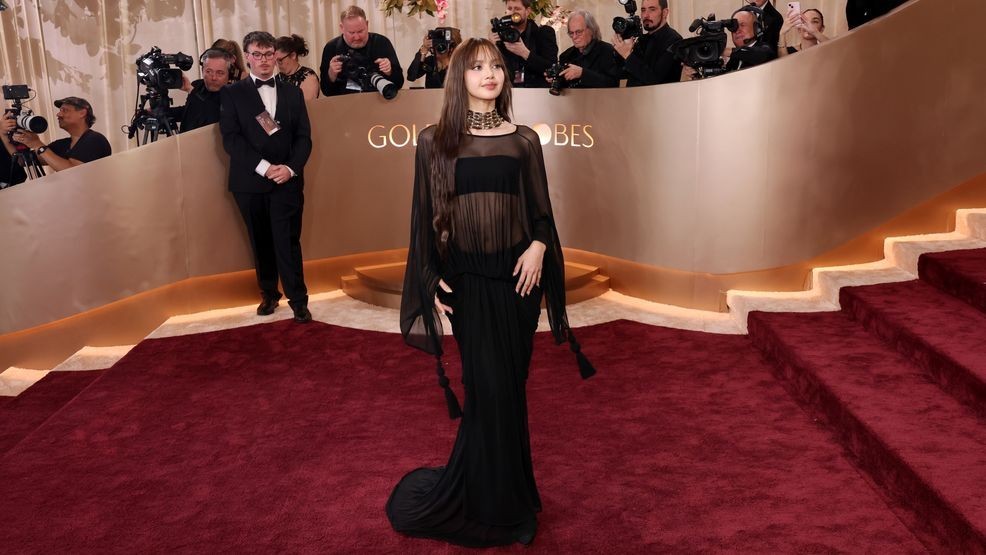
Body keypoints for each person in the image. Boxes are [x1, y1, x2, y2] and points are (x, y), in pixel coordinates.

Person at [386, 37, 595, 548]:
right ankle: (491, 504)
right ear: (459, 77)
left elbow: (541, 213)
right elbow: (424, 217)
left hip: (519, 284)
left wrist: (540, 247)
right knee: (487, 391)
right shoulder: (434, 140)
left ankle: (511, 496)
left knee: (511, 388)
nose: (489, 74)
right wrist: (430, 278)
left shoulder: (524, 140)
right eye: (477, 67)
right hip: (469, 285)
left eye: (496, 66)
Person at [219, 31, 313, 323]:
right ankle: (270, 294)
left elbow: (304, 138)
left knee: (288, 241)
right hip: (250, 181)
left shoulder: (292, 92)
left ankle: (299, 299)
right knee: (260, 241)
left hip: (287, 179)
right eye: (257, 54)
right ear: (246, 57)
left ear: (276, 55)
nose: (263, 60)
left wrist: (289, 168)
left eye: (269, 54)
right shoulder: (233, 93)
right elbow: (231, 139)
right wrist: (264, 167)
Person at [1, 96, 110, 172]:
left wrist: (37, 144)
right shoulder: (61, 145)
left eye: (64, 110)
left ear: (82, 113)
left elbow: (73, 172)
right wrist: (3, 134)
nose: (58, 114)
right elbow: (22, 161)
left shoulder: (95, 139)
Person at [319, 5, 404, 97]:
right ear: (342, 28)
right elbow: (326, 92)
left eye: (360, 31)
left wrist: (389, 71)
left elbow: (399, 84)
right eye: (351, 33)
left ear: (367, 24)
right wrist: (331, 75)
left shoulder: (381, 43)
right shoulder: (331, 48)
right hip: (344, 106)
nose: (357, 37)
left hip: (378, 103)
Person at [613, 0, 683, 86]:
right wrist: (620, 48)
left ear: (665, 13)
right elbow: (622, 73)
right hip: (633, 97)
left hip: (662, 97)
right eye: (643, 10)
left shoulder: (674, 40)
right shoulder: (642, 39)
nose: (646, 15)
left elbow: (655, 79)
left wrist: (627, 55)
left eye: (652, 9)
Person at [491, 0, 558, 89]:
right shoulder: (500, 37)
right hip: (508, 93)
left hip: (537, 94)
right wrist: (491, 46)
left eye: (517, 9)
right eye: (509, 8)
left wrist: (526, 54)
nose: (513, 12)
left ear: (527, 11)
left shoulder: (543, 33)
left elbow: (552, 68)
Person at [553, 9, 619, 89]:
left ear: (591, 30)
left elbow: (612, 83)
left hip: (602, 100)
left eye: (579, 32)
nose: (574, 37)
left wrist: (582, 74)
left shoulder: (607, 51)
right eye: (571, 33)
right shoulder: (565, 56)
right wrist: (555, 78)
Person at [171, 49, 231, 133]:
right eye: (209, 71)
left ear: (229, 74)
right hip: (186, 142)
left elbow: (213, 115)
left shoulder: (233, 94)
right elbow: (189, 111)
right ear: (202, 71)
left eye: (220, 73)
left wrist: (191, 90)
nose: (213, 77)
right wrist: (161, 111)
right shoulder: (197, 86)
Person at [724, 6, 778, 72]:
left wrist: (724, 51)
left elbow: (759, 56)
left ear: (757, 29)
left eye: (742, 25)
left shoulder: (765, 50)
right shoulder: (734, 59)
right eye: (734, 27)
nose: (737, 31)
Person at [275, 34, 320, 101]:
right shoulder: (278, 77)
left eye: (280, 60)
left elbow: (306, 107)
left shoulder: (308, 77)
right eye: (275, 61)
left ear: (293, 55)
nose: (277, 65)